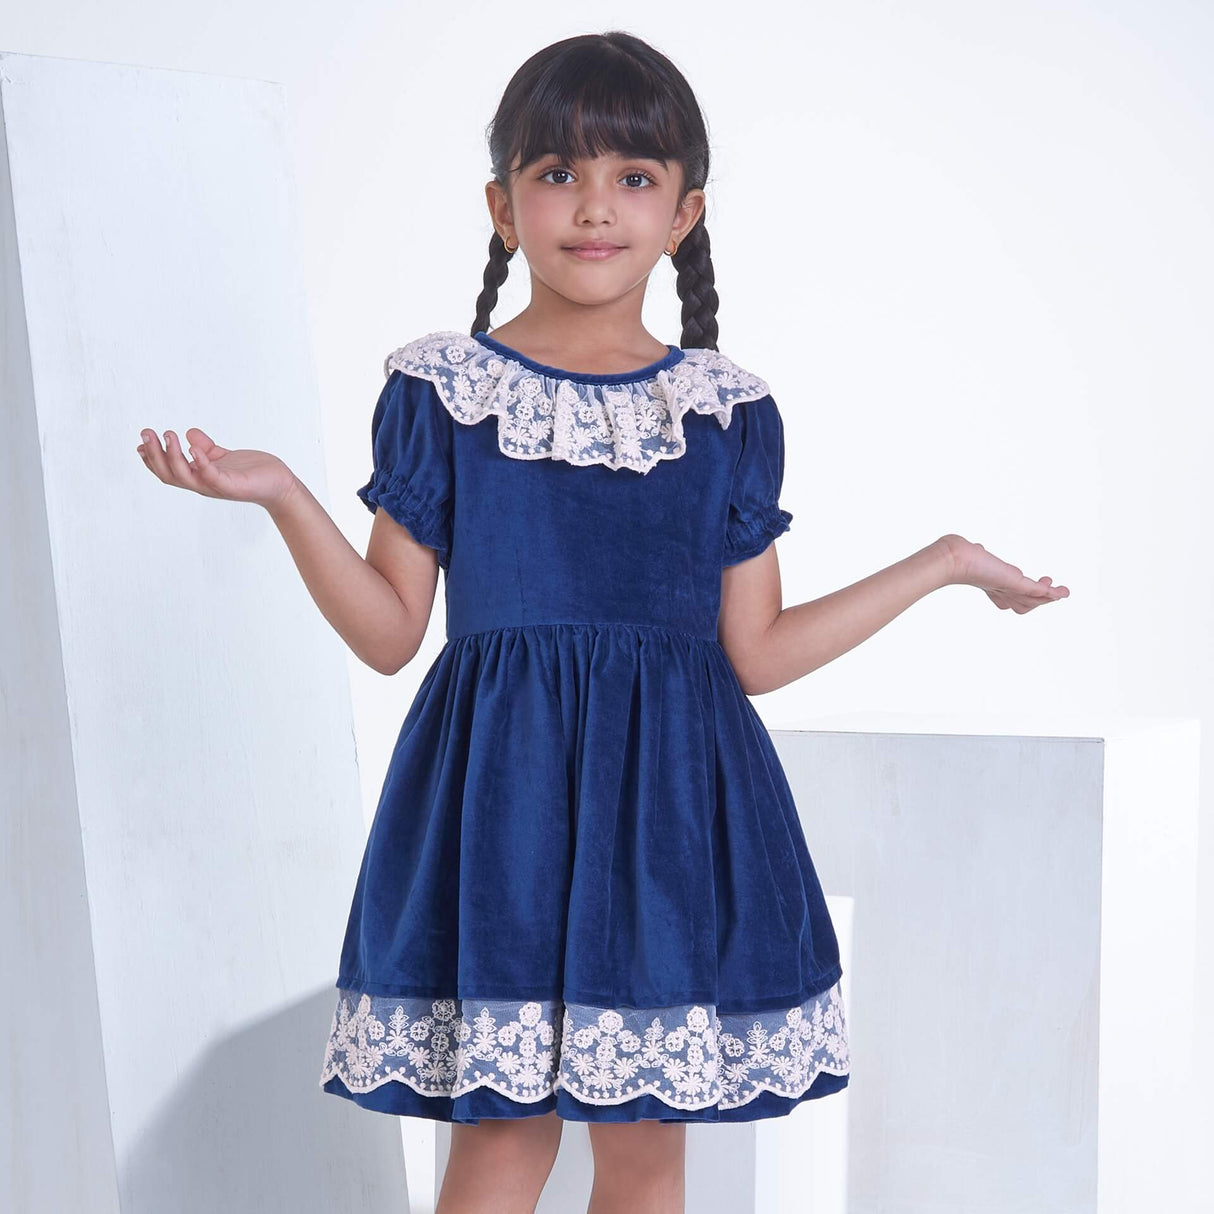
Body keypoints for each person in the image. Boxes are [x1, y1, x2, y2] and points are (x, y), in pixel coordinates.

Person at [134, 29, 1069, 1214]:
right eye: (556, 173)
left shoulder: (722, 411)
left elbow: (757, 652)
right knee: (503, 1138)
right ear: (500, 203)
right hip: (501, 809)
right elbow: (386, 631)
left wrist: (940, 563)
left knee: (641, 1149)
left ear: (682, 214)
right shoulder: (442, 393)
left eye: (631, 178)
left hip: (671, 814)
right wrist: (280, 491)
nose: (592, 207)